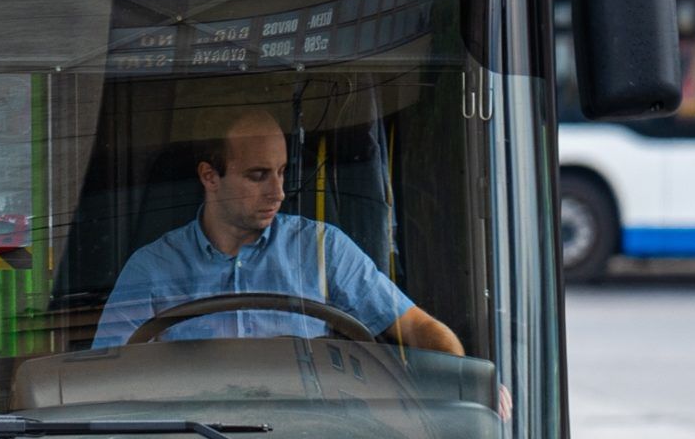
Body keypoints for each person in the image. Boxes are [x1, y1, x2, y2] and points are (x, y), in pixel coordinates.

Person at [90, 108, 467, 354]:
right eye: (258, 176)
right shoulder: (152, 269)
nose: (279, 192)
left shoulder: (324, 249)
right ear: (210, 176)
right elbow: (103, 375)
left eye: (282, 172)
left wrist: (466, 379)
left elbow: (417, 327)